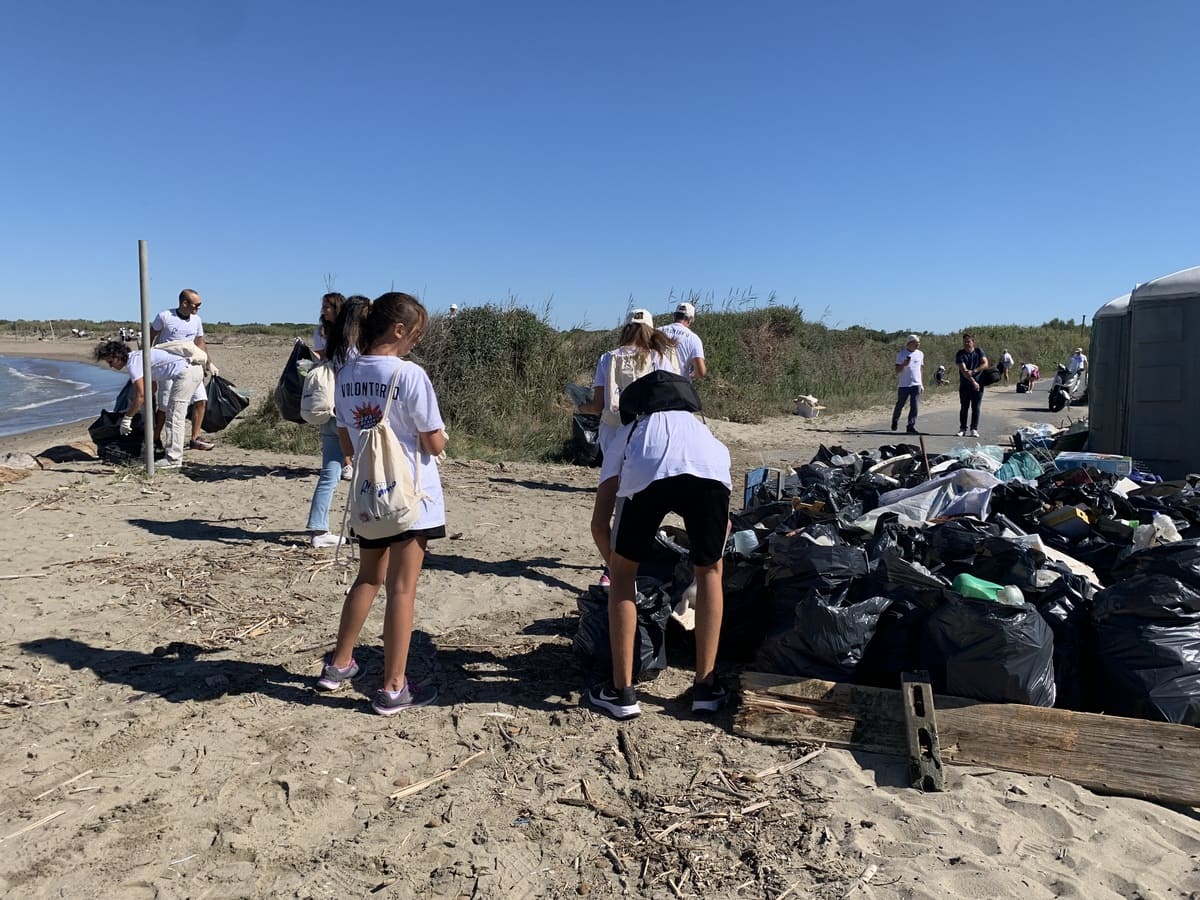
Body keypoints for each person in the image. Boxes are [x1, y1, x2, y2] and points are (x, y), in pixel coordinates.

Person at [316, 292, 447, 716]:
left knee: (367, 579)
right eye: (416, 335)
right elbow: (432, 440)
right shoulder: (409, 375)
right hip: (411, 497)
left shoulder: (348, 372)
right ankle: (393, 687)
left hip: (369, 494)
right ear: (398, 330)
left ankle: (338, 665)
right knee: (403, 589)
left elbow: (344, 434)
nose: (416, 344)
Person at [586, 380, 732, 720]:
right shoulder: (706, 436)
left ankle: (622, 692)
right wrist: (705, 561)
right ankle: (705, 689)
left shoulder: (630, 431)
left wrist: (618, 567)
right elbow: (723, 527)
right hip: (709, 476)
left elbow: (598, 523)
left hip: (647, 469)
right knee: (711, 572)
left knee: (623, 575)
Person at [577, 309, 679, 587]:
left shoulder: (608, 358)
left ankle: (614, 568)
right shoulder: (661, 357)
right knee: (643, 504)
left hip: (615, 436)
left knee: (615, 507)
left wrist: (579, 406)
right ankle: (635, 564)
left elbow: (597, 405)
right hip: (651, 435)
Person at [93, 340, 204, 469]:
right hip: (190, 371)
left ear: (118, 356)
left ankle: (173, 460)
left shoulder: (133, 363)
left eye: (110, 362)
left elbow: (141, 395)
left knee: (174, 417)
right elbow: (152, 387)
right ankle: (172, 457)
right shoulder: (138, 357)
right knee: (173, 415)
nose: (111, 366)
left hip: (187, 373)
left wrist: (127, 418)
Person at [306, 292, 354, 549]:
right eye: (323, 305)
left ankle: (318, 528)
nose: (324, 310)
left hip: (329, 407)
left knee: (330, 472)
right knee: (360, 471)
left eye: (328, 306)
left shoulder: (328, 335)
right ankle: (361, 524)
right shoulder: (350, 338)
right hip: (342, 407)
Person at [150, 289, 213, 452]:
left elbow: (199, 342)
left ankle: (195, 438)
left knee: (200, 400)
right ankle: (156, 439)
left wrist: (206, 362)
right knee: (165, 406)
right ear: (185, 303)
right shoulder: (165, 316)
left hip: (191, 366)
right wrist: (149, 370)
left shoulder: (196, 320)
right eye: (196, 305)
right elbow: (149, 339)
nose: (198, 308)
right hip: (167, 367)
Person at [657, 301, 707, 380]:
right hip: (679, 386)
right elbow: (701, 372)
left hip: (655, 385)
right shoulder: (693, 338)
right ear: (690, 319)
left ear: (674, 315)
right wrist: (691, 376)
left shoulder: (657, 332)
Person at [955, 333, 989, 438]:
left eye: (968, 341)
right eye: (964, 341)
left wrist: (975, 370)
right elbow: (964, 370)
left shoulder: (979, 351)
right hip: (965, 385)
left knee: (976, 407)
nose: (966, 343)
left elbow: (985, 364)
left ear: (973, 342)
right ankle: (962, 429)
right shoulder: (960, 354)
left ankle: (974, 428)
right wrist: (973, 381)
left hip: (979, 385)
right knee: (964, 407)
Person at [891, 334, 924, 434]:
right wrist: (904, 364)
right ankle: (895, 420)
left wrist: (921, 383)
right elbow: (897, 370)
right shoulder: (901, 354)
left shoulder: (920, 354)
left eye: (918, 343)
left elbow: (921, 368)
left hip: (916, 384)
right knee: (900, 404)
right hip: (904, 384)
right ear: (909, 343)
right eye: (916, 343)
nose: (918, 344)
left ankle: (910, 426)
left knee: (914, 406)